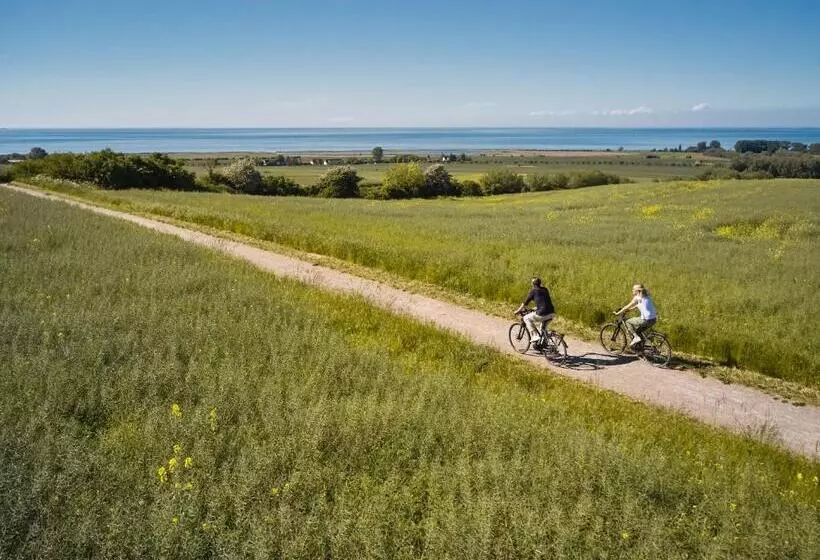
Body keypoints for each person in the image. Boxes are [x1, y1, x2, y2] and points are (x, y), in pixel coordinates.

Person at [514, 277, 555, 344]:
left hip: (543, 314)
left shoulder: (533, 291)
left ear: (533, 284)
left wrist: (517, 311)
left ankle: (534, 336)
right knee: (542, 328)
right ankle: (544, 343)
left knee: (526, 318)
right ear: (540, 283)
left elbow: (525, 303)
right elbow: (543, 302)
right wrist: (534, 309)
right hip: (551, 313)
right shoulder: (545, 289)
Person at [615, 283, 657, 347]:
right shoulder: (647, 296)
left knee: (628, 322)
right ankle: (641, 345)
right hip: (653, 319)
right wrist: (630, 309)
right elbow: (639, 305)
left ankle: (636, 337)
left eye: (633, 289)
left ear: (637, 291)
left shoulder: (637, 298)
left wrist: (618, 313)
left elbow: (626, 307)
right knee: (638, 331)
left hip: (646, 319)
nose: (632, 290)